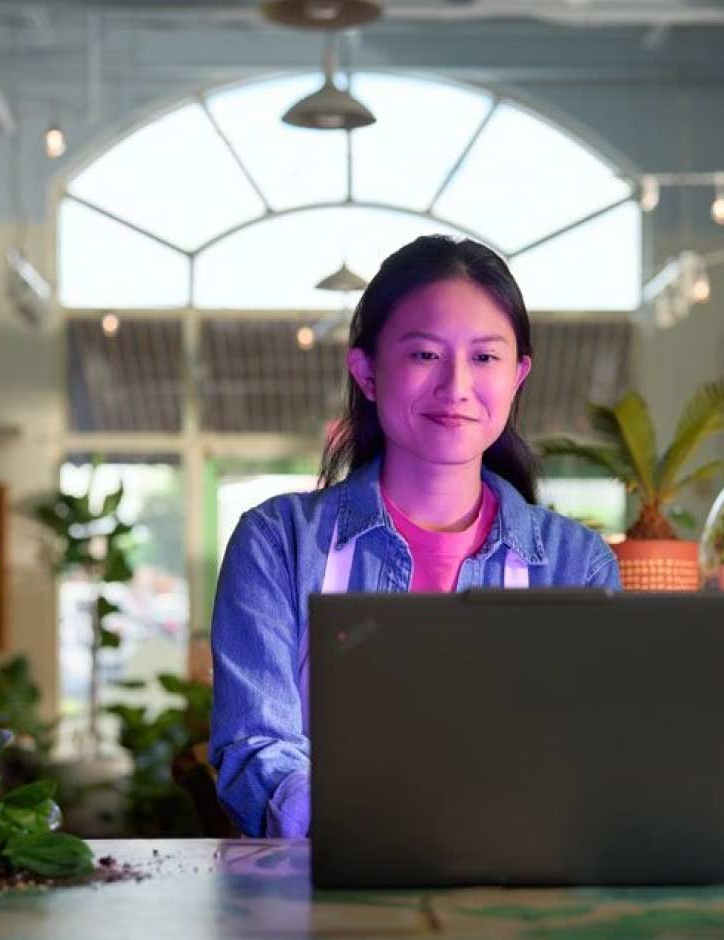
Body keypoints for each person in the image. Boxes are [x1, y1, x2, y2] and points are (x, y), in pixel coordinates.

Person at [209, 235, 622, 838]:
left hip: (514, 908)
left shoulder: (576, 565)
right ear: (367, 371)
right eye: (425, 355)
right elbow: (255, 751)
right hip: (323, 907)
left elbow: (590, 762)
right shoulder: (278, 543)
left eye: (485, 358)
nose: (456, 386)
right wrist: (380, 830)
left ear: (517, 377)